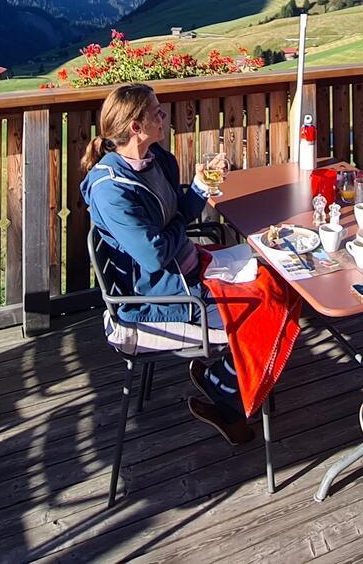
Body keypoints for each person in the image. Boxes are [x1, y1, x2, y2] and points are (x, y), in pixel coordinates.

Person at [79, 83, 249, 444]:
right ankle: (227, 390)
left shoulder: (157, 161)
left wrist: (200, 187)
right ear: (135, 127)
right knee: (265, 309)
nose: (164, 115)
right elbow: (153, 256)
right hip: (159, 297)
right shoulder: (111, 189)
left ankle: (222, 379)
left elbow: (174, 221)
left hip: (186, 270)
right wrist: (177, 228)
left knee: (273, 276)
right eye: (156, 111)